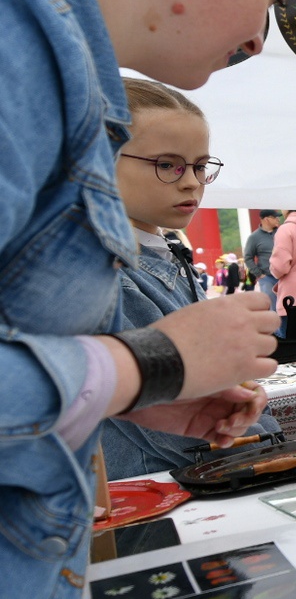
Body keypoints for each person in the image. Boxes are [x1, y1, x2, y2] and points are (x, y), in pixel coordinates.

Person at [0, 0, 296, 599]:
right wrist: (155, 359)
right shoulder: (15, 40)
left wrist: (146, 391)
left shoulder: (57, 58)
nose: (260, 39)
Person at [101, 80, 281, 476]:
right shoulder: (108, 273)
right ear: (99, 158)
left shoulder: (164, 254)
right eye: (167, 164)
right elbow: (175, 428)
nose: (191, 181)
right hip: (168, 495)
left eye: (201, 166)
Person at [244, 208, 282, 310]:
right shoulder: (254, 237)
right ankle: (274, 326)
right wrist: (259, 274)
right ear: (266, 219)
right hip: (267, 278)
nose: (278, 219)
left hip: (285, 276)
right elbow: (248, 257)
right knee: (272, 308)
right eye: (275, 217)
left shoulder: (282, 232)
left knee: (288, 307)